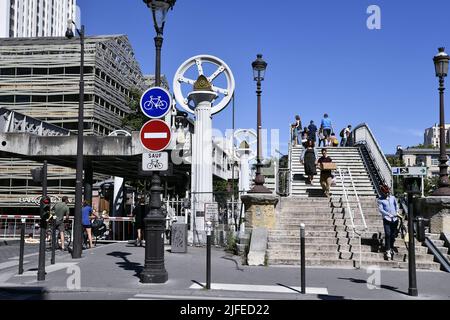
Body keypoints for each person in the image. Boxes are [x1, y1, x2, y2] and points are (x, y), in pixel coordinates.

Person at [378, 185, 399, 260]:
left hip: (395, 219)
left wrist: (397, 211)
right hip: (387, 219)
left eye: (387, 192)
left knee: (393, 235)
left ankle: (391, 247)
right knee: (388, 234)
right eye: (385, 192)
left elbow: (396, 205)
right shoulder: (380, 200)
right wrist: (388, 214)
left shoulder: (392, 198)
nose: (386, 194)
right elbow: (381, 210)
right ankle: (387, 250)